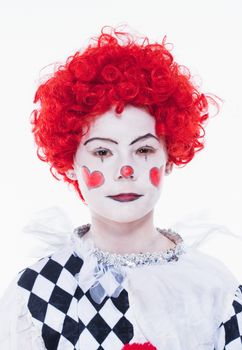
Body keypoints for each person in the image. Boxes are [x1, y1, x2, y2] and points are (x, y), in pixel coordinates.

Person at [0, 26, 241, 350]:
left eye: (143, 150)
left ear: (170, 156)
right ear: (70, 160)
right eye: (102, 152)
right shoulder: (37, 291)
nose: (124, 171)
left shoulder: (214, 288)